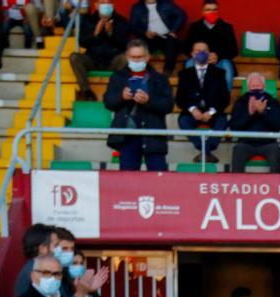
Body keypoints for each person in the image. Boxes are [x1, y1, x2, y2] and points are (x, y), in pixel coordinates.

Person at [104, 40, 174, 172]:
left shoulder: (160, 79)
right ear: (127, 57)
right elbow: (108, 102)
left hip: (154, 136)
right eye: (133, 57)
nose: (136, 61)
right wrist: (121, 97)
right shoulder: (117, 77)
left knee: (159, 179)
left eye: (140, 57)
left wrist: (148, 101)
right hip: (127, 137)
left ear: (147, 57)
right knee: (128, 181)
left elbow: (168, 105)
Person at [177, 40, 230, 163]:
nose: (201, 53)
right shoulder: (184, 74)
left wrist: (210, 112)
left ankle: (204, 152)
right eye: (197, 51)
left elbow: (224, 99)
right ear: (192, 54)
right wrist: (193, 109)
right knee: (183, 121)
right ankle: (206, 151)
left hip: (212, 112)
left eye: (204, 51)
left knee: (222, 121)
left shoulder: (219, 73)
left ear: (209, 53)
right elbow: (180, 99)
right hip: (192, 113)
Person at [69, 1, 131, 101]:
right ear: (96, 5)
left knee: (125, 58)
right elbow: (82, 42)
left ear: (112, 5)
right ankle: (87, 92)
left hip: (113, 60)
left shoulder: (121, 20)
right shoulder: (88, 19)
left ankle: (118, 90)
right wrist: (95, 33)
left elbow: (125, 44)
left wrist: (111, 33)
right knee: (74, 57)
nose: (105, 5)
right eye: (102, 2)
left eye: (108, 2)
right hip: (93, 59)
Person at [229, 72, 280, 174]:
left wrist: (263, 113)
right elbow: (234, 126)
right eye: (253, 85)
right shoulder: (241, 102)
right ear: (248, 87)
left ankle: (275, 186)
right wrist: (249, 114)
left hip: (268, 143)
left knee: (277, 151)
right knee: (238, 150)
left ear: (264, 86)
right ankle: (237, 184)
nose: (255, 88)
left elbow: (279, 125)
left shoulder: (273, 102)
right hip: (246, 143)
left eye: (258, 85)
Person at [184, 1, 237, 90]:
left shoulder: (226, 27)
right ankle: (194, 98)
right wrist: (199, 56)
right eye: (208, 10)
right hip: (198, 61)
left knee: (227, 65)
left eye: (214, 10)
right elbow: (186, 48)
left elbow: (234, 50)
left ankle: (224, 100)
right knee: (189, 63)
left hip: (219, 61)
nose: (212, 12)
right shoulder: (194, 27)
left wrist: (218, 56)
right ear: (203, 12)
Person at [128, 0, 186, 75]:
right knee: (138, 46)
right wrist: (144, 33)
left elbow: (181, 15)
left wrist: (173, 30)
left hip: (166, 37)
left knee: (172, 42)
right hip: (149, 38)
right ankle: (142, 72)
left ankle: (167, 71)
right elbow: (132, 27)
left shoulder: (167, 4)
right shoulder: (137, 8)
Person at [13, 223, 62, 297]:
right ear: (42, 249)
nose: (60, 249)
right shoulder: (34, 272)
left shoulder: (36, 267)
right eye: (56, 245)